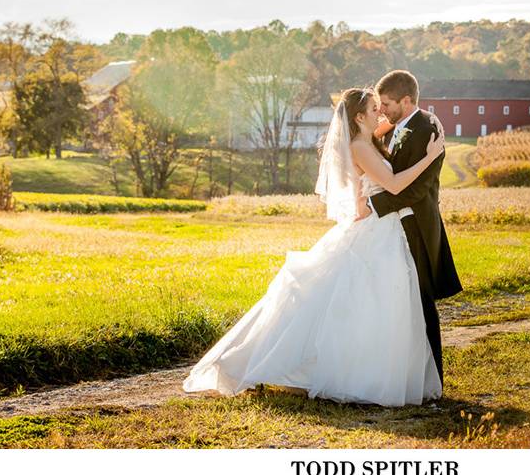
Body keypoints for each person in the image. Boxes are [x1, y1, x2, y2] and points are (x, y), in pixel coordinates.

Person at [182, 86, 447, 406]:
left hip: (382, 230)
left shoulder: (367, 138)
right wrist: (430, 157)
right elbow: (393, 184)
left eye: (381, 106)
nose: (381, 112)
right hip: (373, 229)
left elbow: (396, 124)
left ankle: (370, 371)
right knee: (364, 302)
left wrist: (426, 119)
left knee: (373, 304)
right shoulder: (360, 147)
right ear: (360, 116)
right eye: (375, 108)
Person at [364, 70, 464, 387]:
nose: (382, 110)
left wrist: (373, 206)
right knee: (400, 298)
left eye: (387, 103)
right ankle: (404, 370)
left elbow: (418, 189)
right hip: (398, 224)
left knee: (422, 300)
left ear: (406, 101)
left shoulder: (425, 128)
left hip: (417, 224)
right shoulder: (398, 126)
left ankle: (433, 377)